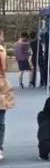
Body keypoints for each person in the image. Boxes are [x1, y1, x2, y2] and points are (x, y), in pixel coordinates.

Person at [0, 30, 10, 161]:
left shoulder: (2, 50)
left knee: (1, 119)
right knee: (1, 120)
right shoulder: (2, 50)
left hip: (1, 85)